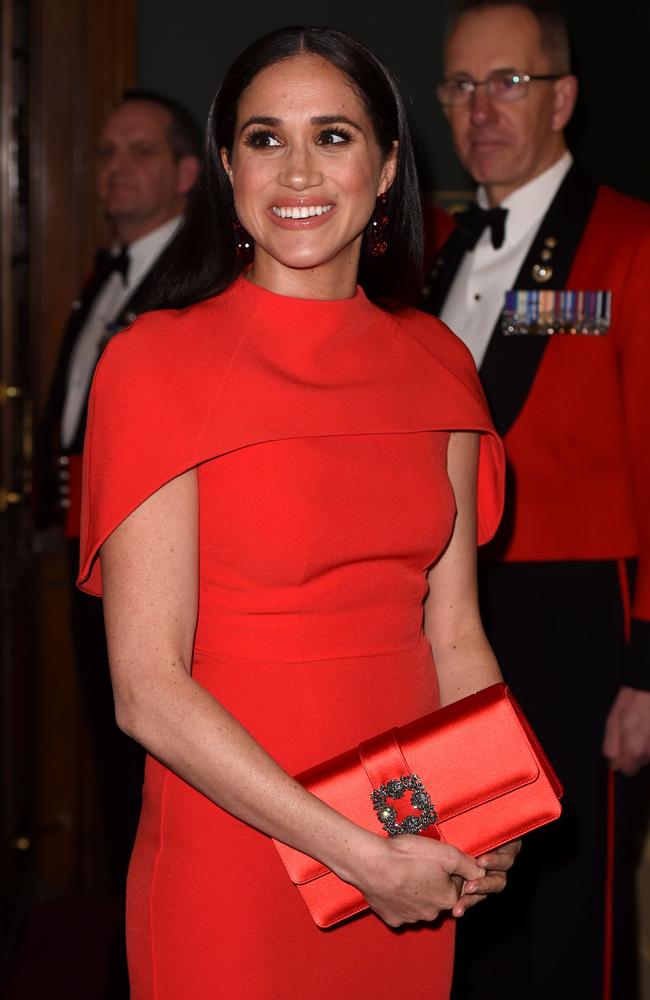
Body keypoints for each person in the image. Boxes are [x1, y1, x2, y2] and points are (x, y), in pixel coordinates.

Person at [77, 26, 519, 999]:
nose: (296, 170)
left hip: (408, 827)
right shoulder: (153, 363)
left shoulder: (437, 362)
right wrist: (356, 854)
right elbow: (146, 688)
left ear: (387, 162)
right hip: (235, 849)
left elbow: (453, 633)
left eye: (332, 135)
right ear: (227, 165)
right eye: (266, 138)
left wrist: (486, 815)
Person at [422, 2, 650, 997]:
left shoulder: (629, 245)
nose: (480, 108)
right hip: (448, 618)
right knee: (467, 889)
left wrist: (648, 665)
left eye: (505, 81)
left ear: (560, 96)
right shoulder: (431, 249)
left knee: (570, 905)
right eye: (459, 86)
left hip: (581, 620)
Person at [35, 89, 201, 997]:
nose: (114, 168)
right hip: (82, 547)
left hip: (153, 564)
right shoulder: (110, 271)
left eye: (138, 151)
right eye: (103, 152)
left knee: (144, 767)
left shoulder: (192, 278)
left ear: (186, 174)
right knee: (110, 762)